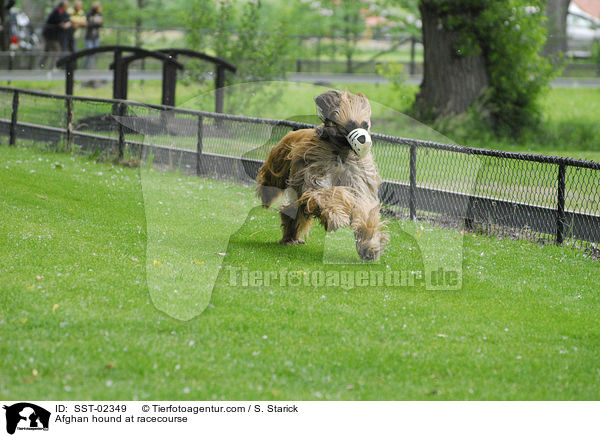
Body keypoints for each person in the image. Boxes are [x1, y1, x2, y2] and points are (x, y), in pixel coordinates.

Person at [40, 1, 72, 69]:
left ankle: (41, 66)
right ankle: (52, 67)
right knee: (57, 50)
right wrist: (63, 24)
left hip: (52, 35)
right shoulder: (57, 11)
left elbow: (66, 19)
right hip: (50, 35)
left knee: (47, 51)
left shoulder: (62, 12)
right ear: (63, 6)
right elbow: (58, 22)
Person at [83, 2, 103, 69]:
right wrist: (96, 23)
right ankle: (87, 68)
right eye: (100, 8)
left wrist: (94, 24)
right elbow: (87, 24)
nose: (101, 9)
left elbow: (101, 24)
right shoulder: (89, 14)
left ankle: (91, 68)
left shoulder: (100, 14)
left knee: (95, 53)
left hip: (96, 37)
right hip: (88, 37)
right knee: (89, 52)